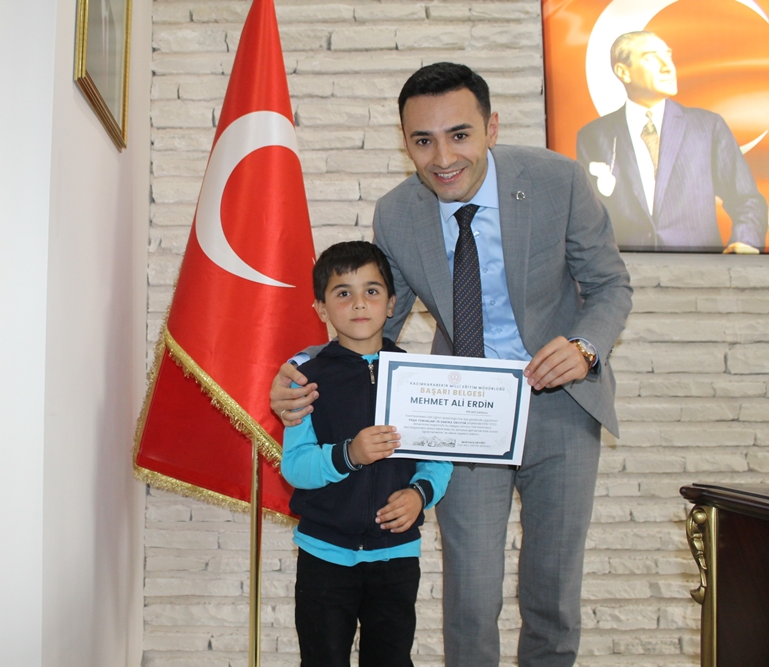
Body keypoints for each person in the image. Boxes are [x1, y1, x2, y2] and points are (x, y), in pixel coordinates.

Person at [271, 63, 633, 667]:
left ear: (492, 128)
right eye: (423, 140)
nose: (442, 158)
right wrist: (302, 372)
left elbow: (610, 285)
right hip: (461, 417)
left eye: (459, 134)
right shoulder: (398, 213)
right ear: (404, 141)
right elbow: (374, 323)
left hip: (561, 407)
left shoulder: (558, 180)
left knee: (552, 592)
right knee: (470, 595)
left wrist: (585, 348)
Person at [283, 241, 452, 667]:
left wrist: (419, 494)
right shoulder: (305, 380)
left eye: (372, 291)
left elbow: (439, 459)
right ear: (321, 308)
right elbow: (296, 467)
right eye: (343, 293)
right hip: (324, 554)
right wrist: (349, 455)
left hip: (396, 557)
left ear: (392, 303)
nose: (359, 303)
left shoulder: (421, 378)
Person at [577, 31, 767, 252]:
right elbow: (589, 215)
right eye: (651, 57)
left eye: (668, 55)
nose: (668, 67)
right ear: (623, 72)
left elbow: (746, 200)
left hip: (700, 266)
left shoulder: (707, 126)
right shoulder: (593, 135)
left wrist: (745, 242)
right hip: (626, 267)